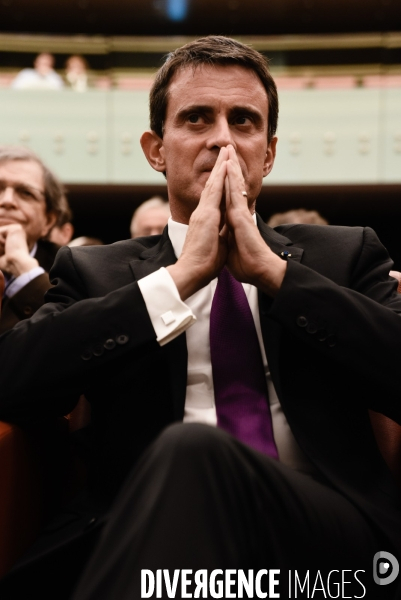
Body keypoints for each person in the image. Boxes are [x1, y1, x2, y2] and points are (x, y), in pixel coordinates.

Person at [0, 36, 400, 600]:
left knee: (196, 454)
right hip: (144, 538)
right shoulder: (95, 271)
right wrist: (176, 280)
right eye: (196, 118)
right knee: (187, 469)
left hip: (326, 549)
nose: (222, 139)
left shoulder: (346, 254)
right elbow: (11, 383)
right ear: (156, 149)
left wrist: (275, 275)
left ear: (270, 150)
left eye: (243, 121)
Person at [0, 145, 66, 334]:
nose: (7, 201)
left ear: (49, 220)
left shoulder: (73, 270)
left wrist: (24, 269)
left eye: (25, 193)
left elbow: (76, 335)